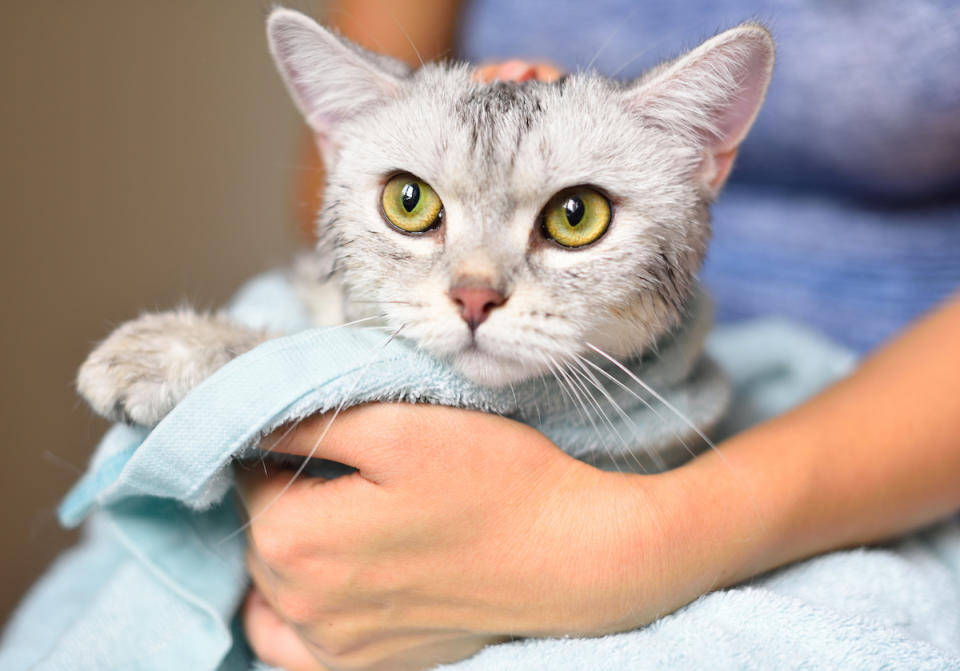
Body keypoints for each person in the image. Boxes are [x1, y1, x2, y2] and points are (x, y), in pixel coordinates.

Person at [241, 2, 960, 669]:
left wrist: (640, 542)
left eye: (573, 215)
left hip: (885, 426)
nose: (478, 287)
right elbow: (335, 192)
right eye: (414, 205)